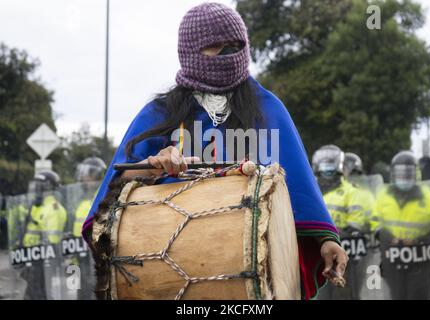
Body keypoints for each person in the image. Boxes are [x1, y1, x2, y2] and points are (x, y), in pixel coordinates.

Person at [82, 2, 348, 300]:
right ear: (191, 52)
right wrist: (151, 167)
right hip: (170, 273)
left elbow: (297, 186)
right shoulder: (159, 115)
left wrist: (326, 241)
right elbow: (109, 206)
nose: (229, 54)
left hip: (255, 281)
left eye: (236, 45)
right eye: (216, 46)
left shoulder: (267, 110)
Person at [371, 151, 430, 300]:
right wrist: (387, 237)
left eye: (408, 173)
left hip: (421, 262)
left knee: (419, 296)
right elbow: (375, 224)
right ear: (393, 174)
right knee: (397, 296)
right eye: (400, 173)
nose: (404, 178)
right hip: (392, 259)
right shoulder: (383, 197)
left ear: (416, 173)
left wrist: (418, 241)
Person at [312, 145, 365, 300]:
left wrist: (337, 235)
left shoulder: (351, 191)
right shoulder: (313, 191)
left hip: (344, 255)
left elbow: (357, 222)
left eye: (331, 165)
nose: (327, 169)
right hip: (316, 255)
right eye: (324, 165)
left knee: (344, 294)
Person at [22, 170, 67, 300]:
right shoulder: (39, 207)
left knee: (38, 294)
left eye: (37, 186)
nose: (34, 190)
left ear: (46, 187)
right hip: (32, 257)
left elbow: (52, 241)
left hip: (43, 260)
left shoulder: (53, 209)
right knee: (34, 294)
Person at [71, 157, 106, 300]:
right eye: (84, 173)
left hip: (95, 255)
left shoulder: (102, 195)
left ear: (99, 175)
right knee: (81, 291)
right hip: (80, 255)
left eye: (89, 173)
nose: (85, 177)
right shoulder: (82, 199)